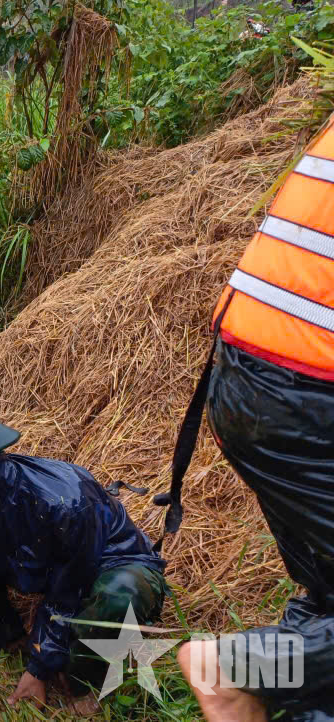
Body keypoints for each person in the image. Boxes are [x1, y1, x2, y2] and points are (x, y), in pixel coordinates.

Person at [174, 121, 334, 721]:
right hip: (306, 392)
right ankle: (236, 668)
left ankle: (268, 689)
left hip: (254, 380)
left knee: (326, 607)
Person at [0, 399, 167, 715]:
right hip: (54, 569)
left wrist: (39, 668)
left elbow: (68, 589)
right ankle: (9, 636)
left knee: (118, 596)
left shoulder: (64, 502)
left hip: (111, 564)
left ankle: (83, 680)